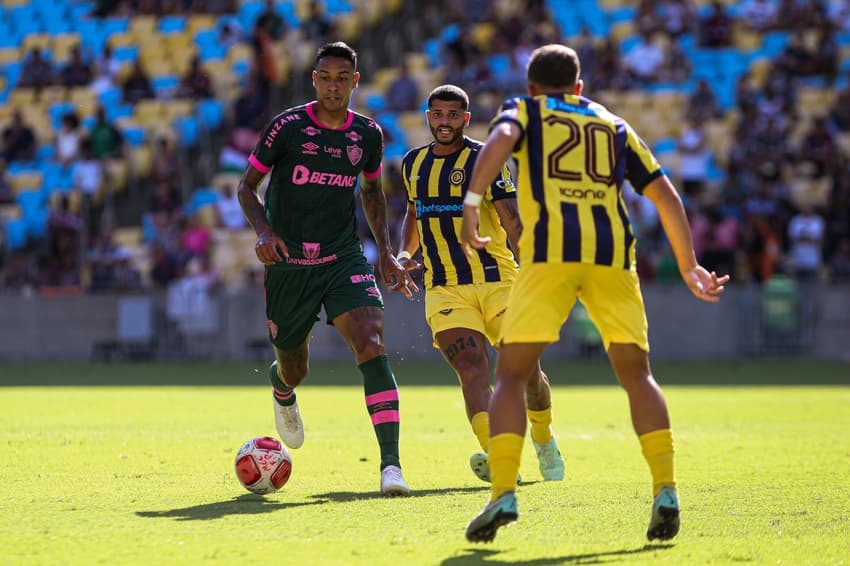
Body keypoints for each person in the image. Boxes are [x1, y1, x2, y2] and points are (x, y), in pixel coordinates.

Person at [460, 44, 729, 543]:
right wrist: (689, 265)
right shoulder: (612, 124)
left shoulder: (525, 109)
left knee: (514, 374)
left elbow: (499, 139)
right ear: (580, 87)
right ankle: (665, 489)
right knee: (637, 375)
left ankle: (502, 493)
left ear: (533, 87)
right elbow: (665, 195)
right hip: (612, 257)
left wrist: (473, 203)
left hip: (550, 256)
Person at [236, 42, 415, 496]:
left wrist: (388, 253)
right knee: (295, 368)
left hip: (342, 255)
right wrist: (263, 232)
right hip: (288, 262)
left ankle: (390, 467)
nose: (333, 85)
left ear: (355, 82)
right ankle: (282, 389)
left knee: (371, 342)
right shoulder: (287, 128)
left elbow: (372, 196)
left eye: (342, 77)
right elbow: (246, 188)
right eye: (325, 77)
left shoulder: (368, 135)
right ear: (313, 79)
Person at [396, 85, 565, 484]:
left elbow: (511, 219)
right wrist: (405, 255)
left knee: (526, 374)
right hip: (444, 288)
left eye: (453, 115)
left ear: (465, 119)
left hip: (500, 282)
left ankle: (544, 439)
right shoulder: (412, 164)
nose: (444, 122)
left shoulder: (485, 159)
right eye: (437, 114)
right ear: (427, 116)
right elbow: (413, 215)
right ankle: (501, 457)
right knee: (472, 368)